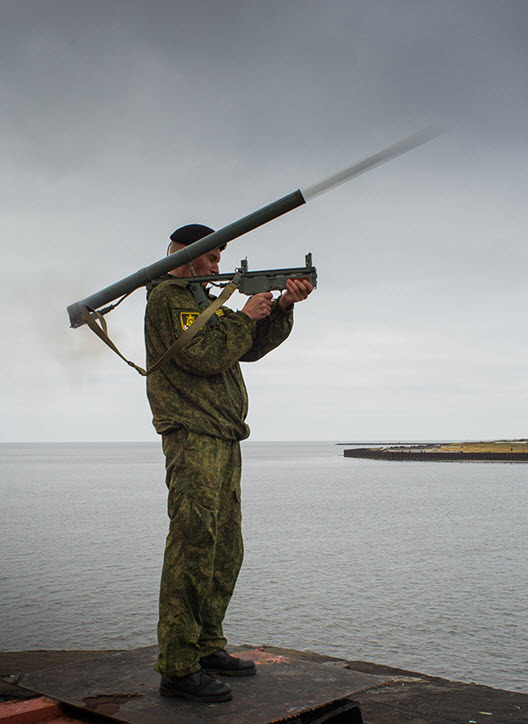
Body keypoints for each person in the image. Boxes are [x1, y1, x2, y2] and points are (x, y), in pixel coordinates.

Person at [144, 223, 314, 702]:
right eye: (213, 257)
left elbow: (247, 349)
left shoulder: (198, 298)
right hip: (192, 434)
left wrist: (280, 307)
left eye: (220, 258)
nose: (218, 266)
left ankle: (203, 645)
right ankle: (178, 666)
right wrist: (244, 314)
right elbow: (203, 354)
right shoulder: (170, 298)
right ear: (188, 254)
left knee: (225, 546)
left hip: (220, 434)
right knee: (193, 545)